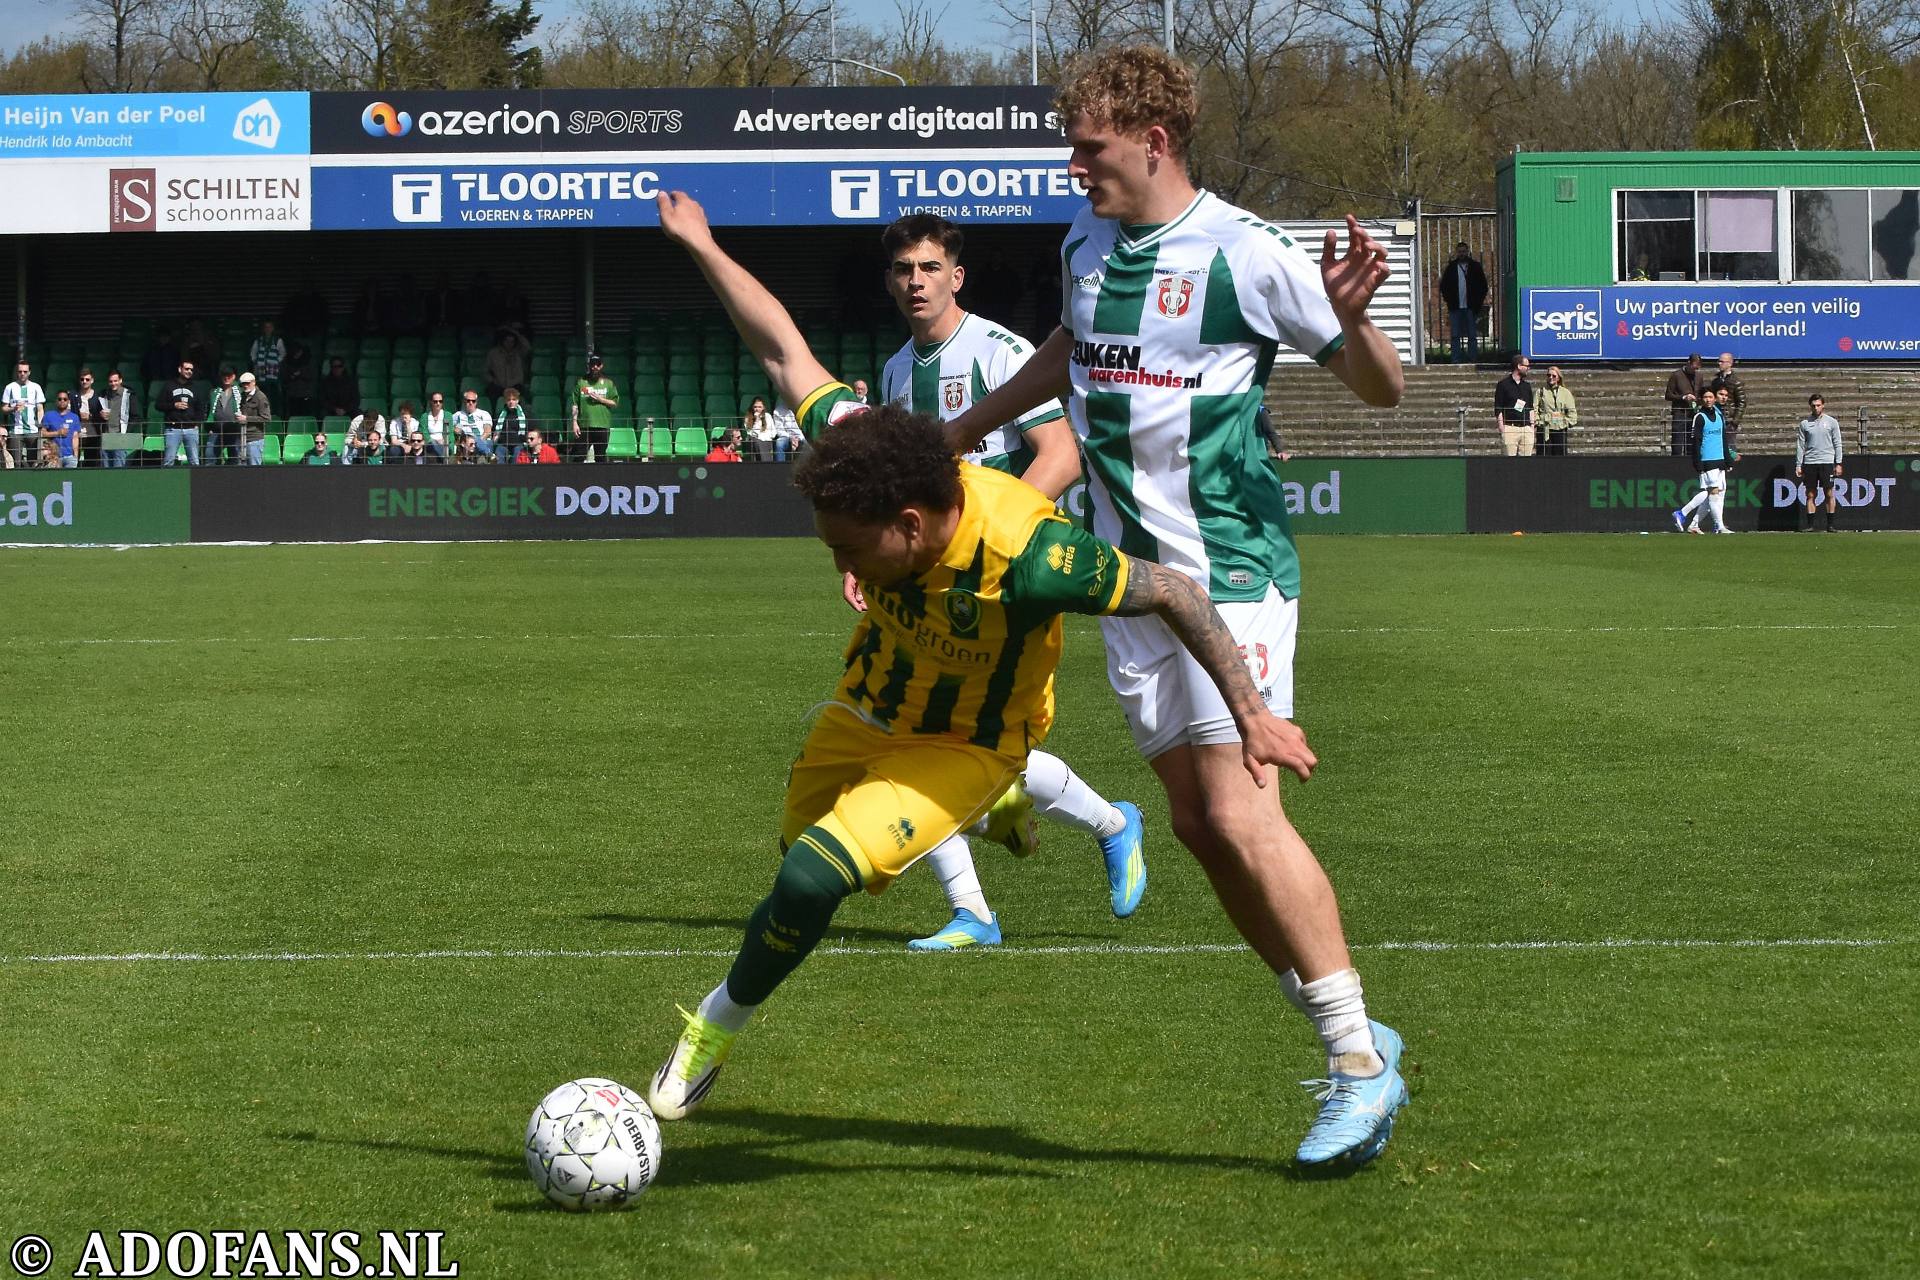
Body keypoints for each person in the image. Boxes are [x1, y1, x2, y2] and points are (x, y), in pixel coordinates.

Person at [647, 189, 1319, 1145]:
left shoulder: (1033, 555)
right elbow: (782, 351)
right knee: (792, 866)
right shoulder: (873, 453)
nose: (843, 568)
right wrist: (702, 245)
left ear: (910, 526)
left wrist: (1250, 709)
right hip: (864, 709)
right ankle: (997, 815)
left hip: (968, 738)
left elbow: (1173, 590)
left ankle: (710, 1032)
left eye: (852, 551)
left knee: (810, 880)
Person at [939, 46, 1410, 1170]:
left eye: (1089, 149)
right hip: (1126, 581)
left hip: (1230, 571)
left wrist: (1356, 318)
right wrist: (962, 434)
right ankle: (1349, 1030)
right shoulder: (1083, 241)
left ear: (1154, 142)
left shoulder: (1250, 254)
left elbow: (1381, 386)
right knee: (1198, 826)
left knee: (1247, 816)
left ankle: (1355, 1057)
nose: (1072, 167)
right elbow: (1072, 350)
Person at [875, 210, 1147, 950]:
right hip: (932, 583)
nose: (916, 282)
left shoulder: (1000, 353)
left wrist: (1008, 539)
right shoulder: (897, 372)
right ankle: (981, 905)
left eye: (929, 268)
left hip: (1003, 572)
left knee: (957, 741)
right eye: (903, 270)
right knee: (921, 735)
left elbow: (1058, 453)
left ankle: (1108, 826)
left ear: (955, 276)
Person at [1672, 387, 1732, 534]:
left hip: (1719, 459)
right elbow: (1696, 441)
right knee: (1713, 492)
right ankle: (1719, 525)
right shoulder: (1699, 417)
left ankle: (1691, 521)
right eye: (1706, 397)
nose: (1708, 400)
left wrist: (1728, 459)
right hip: (1707, 459)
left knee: (1716, 493)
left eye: (1711, 397)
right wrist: (1697, 462)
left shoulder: (1719, 415)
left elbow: (1723, 439)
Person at [1795, 394, 1844, 533]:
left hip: (1827, 461)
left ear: (1823, 405)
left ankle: (1830, 525)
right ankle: (1810, 525)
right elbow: (1800, 445)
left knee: (1829, 493)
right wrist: (1799, 464)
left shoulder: (1831, 422)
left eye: (1818, 405)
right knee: (1810, 494)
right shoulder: (1805, 423)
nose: (1816, 408)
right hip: (1810, 462)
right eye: (1813, 405)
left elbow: (1837, 443)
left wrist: (1838, 463)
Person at [1436, 240, 1488, 363]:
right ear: (1456, 253)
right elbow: (1444, 286)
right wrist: (1449, 300)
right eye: (1459, 252)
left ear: (1468, 252)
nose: (1462, 254)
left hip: (1471, 306)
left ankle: (1473, 359)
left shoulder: (1475, 267)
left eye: (1464, 251)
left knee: (1472, 335)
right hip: (1455, 306)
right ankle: (1456, 359)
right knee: (1455, 335)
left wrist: (1477, 303)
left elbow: (1483, 286)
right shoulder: (1451, 267)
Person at [569, 352, 620, 463]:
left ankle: (601, 480)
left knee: (600, 457)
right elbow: (575, 404)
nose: (595, 367)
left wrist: (600, 399)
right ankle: (576, 479)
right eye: (592, 364)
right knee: (579, 456)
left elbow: (614, 403)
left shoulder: (608, 383)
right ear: (589, 366)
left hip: (602, 425)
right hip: (584, 426)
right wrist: (574, 422)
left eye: (597, 364)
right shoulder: (581, 382)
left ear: (601, 366)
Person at [4, 359, 46, 470]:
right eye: (20, 371)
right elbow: (3, 408)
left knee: (33, 463)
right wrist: (13, 408)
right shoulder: (10, 387)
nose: (22, 374)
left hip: (32, 430)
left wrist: (40, 424)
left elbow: (40, 408)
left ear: (29, 372)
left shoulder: (36, 387)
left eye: (25, 371)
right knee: (16, 463)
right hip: (15, 430)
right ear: (17, 372)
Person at [160, 360, 202, 467]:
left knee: (195, 462)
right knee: (168, 461)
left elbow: (200, 409)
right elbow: (158, 405)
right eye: (187, 369)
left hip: (191, 429)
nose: (189, 371)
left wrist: (197, 424)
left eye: (191, 370)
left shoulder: (195, 388)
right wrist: (174, 405)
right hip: (173, 429)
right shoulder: (169, 386)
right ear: (180, 369)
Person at [1665, 354, 1706, 457]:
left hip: (1693, 412)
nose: (1694, 370)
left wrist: (1700, 401)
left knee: (1691, 442)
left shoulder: (1699, 377)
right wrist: (1683, 397)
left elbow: (1701, 393)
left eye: (1697, 368)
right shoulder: (1676, 375)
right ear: (1688, 363)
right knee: (1677, 442)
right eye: (1693, 367)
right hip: (1680, 412)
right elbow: (1668, 395)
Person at [1494, 354, 1535, 456]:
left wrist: (1532, 427)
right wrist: (1502, 428)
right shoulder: (1503, 385)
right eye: (1526, 366)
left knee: (1526, 463)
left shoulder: (1527, 386)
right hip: (1510, 427)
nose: (1528, 369)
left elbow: (1530, 407)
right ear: (1519, 366)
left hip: (1526, 428)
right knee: (1509, 462)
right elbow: (1498, 407)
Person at [205, 365, 244, 466]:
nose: (226, 378)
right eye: (224, 375)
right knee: (210, 458)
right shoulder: (214, 392)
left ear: (234, 376)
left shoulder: (241, 392)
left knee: (235, 460)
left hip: (234, 430)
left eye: (229, 375)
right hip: (216, 430)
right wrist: (209, 426)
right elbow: (208, 411)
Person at [100, 369, 138, 468]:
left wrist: (126, 433)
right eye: (111, 381)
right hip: (106, 436)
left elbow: (135, 416)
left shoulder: (129, 394)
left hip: (120, 436)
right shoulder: (103, 394)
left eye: (115, 381)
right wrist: (101, 415)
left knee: (119, 468)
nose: (113, 383)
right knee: (105, 468)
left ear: (120, 380)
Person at [1537, 366, 1578, 456]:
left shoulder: (1566, 393)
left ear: (1559, 378)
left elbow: (1572, 413)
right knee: (1543, 457)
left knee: (1560, 458)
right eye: (1548, 375)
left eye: (1554, 376)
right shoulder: (1540, 391)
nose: (1551, 377)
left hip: (1560, 429)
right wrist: (1540, 421)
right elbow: (1534, 409)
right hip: (1544, 429)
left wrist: (1565, 422)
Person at [71, 369, 107, 468]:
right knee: (76, 462)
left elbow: (102, 416)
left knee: (92, 461)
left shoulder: (98, 397)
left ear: (92, 380)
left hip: (93, 433)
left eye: (87, 379)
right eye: (82, 379)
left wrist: (90, 417)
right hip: (78, 433)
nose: (84, 381)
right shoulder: (73, 396)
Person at [485, 328, 530, 403]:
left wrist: (516, 333)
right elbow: (485, 371)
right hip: (498, 386)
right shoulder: (493, 354)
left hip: (515, 386)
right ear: (502, 341)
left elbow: (528, 348)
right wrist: (492, 381)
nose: (510, 344)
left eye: (512, 341)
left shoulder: (519, 353)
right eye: (507, 341)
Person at [236, 372, 272, 465]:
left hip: (255, 439)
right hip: (242, 437)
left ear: (253, 382)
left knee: (254, 468)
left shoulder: (261, 397)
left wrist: (246, 419)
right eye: (243, 384)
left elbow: (267, 418)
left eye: (247, 383)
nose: (245, 386)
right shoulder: (243, 396)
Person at [1710, 351, 1745, 448]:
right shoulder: (1716, 380)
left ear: (1729, 363)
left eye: (1722, 361)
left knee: (1730, 447)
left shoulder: (1736, 382)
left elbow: (1741, 402)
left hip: (1729, 418)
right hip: (1716, 416)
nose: (1719, 363)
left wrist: (1735, 421)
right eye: (1719, 361)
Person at [452, 390, 498, 461]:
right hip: (464, 443)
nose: (471, 403)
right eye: (468, 401)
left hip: (482, 440)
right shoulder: (458, 415)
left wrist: (476, 442)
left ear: (476, 402)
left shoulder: (484, 414)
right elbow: (453, 430)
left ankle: (485, 454)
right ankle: (489, 455)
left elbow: (487, 432)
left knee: (479, 443)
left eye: (473, 401)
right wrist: (458, 428)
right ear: (464, 401)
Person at [40, 390, 81, 468]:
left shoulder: (74, 417)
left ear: (68, 401)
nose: (62, 401)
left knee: (70, 479)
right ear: (56, 401)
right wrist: (57, 433)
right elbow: (42, 433)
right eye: (60, 399)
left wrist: (75, 456)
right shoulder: (48, 415)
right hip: (53, 456)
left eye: (65, 399)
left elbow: (75, 438)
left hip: (69, 456)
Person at [249, 320, 286, 405]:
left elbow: (282, 353)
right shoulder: (258, 341)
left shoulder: (277, 340)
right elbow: (253, 353)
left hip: (273, 373)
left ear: (273, 328)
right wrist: (257, 362)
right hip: (261, 373)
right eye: (266, 327)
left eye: (269, 327)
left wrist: (276, 362)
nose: (267, 329)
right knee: (262, 393)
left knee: (273, 394)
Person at [495, 386, 530, 462]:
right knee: (498, 453)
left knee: (517, 455)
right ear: (505, 401)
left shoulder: (525, 414)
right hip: (503, 443)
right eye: (509, 400)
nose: (511, 402)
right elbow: (497, 432)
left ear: (518, 400)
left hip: (518, 443)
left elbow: (529, 430)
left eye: (514, 399)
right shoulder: (500, 415)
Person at [743, 397, 782, 462]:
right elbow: (750, 433)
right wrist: (756, 420)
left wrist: (761, 437)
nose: (757, 409)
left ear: (763, 407)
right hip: (753, 441)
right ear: (752, 407)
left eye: (759, 407)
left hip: (766, 441)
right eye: (755, 407)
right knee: (756, 441)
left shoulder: (768, 416)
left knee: (759, 443)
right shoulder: (748, 418)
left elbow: (773, 433)